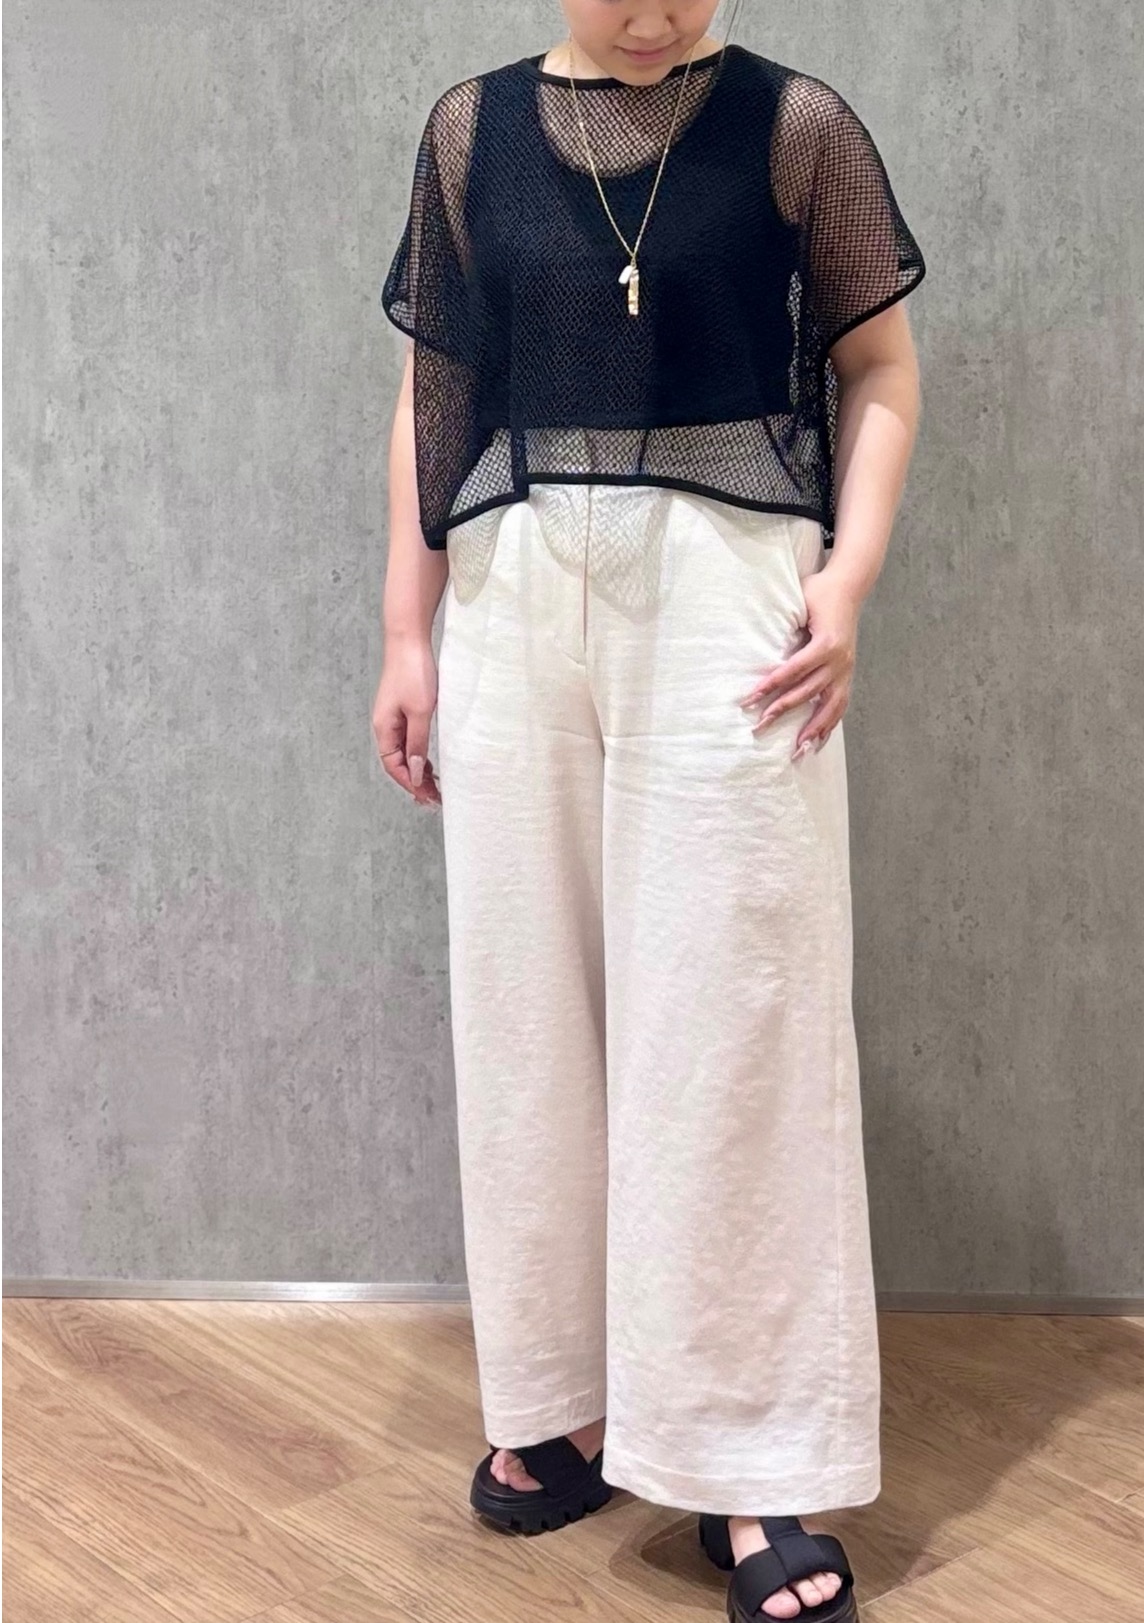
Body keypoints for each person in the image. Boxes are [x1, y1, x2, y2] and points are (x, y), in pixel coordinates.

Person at [372, 2, 925, 1617]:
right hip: (514, 585)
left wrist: (849, 581)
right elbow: (434, 391)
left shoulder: (795, 126)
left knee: (733, 1018)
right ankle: (566, 1396)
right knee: (528, 1006)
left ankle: (751, 1464)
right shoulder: (470, 134)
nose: (654, 13)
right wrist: (405, 633)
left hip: (729, 593)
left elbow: (880, 368)